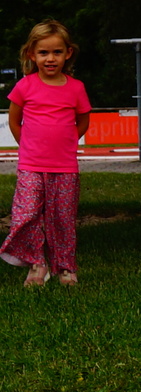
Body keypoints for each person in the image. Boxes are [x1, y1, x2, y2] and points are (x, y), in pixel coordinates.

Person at [3, 19, 90, 287]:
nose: (50, 58)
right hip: (30, 165)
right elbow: (14, 121)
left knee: (62, 219)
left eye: (56, 52)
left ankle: (65, 267)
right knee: (26, 215)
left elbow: (83, 120)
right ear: (31, 54)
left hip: (64, 166)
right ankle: (37, 263)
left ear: (68, 53)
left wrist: (65, 143)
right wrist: (28, 146)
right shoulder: (25, 86)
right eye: (43, 52)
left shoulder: (76, 88)